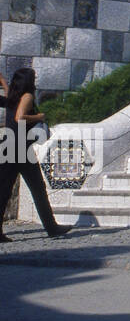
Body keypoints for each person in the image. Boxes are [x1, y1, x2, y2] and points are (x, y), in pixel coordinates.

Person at [0, 68, 69, 241]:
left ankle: (52, 227)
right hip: (21, 149)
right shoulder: (27, 96)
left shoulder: (13, 96)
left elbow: (10, 102)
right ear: (29, 81)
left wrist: (2, 81)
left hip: (8, 146)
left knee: (4, 190)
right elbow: (20, 117)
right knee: (38, 189)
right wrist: (39, 116)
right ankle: (52, 227)